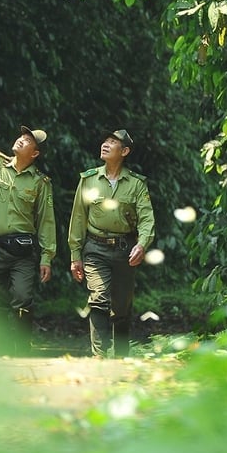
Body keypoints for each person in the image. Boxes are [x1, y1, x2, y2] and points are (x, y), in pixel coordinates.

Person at [0, 88, 56, 351]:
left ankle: (21, 349)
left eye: (28, 141)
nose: (21, 140)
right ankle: (1, 349)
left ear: (35, 154)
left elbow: (46, 221)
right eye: (22, 137)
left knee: (23, 299)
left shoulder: (40, 183)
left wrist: (47, 256)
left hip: (23, 252)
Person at [67, 128, 155, 358]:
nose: (105, 144)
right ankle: (100, 355)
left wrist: (142, 244)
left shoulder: (136, 184)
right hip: (95, 248)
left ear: (124, 151)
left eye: (113, 142)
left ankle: (121, 357)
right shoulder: (88, 180)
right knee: (98, 299)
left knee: (122, 309)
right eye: (105, 140)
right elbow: (78, 218)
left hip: (125, 249)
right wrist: (75, 256)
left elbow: (147, 219)